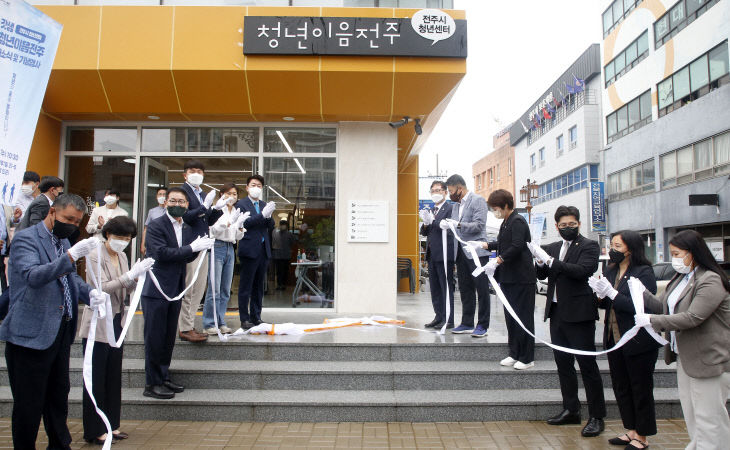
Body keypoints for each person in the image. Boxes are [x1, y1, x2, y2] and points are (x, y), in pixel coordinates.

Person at [0, 194, 101, 449]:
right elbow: (33, 276)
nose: (72, 225)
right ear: (52, 212)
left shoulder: (64, 239)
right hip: (31, 333)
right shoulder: (26, 239)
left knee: (58, 397)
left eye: (77, 222)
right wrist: (68, 257)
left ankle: (60, 444)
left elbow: (69, 279)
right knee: (29, 403)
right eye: (68, 219)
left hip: (61, 329)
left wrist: (89, 293)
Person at [637, 230, 730, 449]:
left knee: (710, 416)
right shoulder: (682, 278)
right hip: (685, 357)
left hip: (708, 360)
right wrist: (642, 294)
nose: (674, 259)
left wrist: (651, 319)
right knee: (692, 412)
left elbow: (693, 317)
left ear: (693, 253)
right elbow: (667, 307)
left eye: (677, 253)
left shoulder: (710, 280)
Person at [530, 205, 605, 437]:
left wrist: (551, 262)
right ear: (556, 227)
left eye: (571, 224)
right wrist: (540, 263)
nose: (567, 228)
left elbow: (582, 270)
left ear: (579, 224)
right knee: (563, 364)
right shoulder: (552, 247)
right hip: (557, 312)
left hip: (580, 313)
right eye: (563, 225)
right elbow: (542, 275)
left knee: (587, 366)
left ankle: (597, 416)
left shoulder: (589, 246)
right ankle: (571, 409)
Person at [79, 216, 154, 445]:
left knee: (113, 376)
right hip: (98, 323)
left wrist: (137, 277)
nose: (123, 241)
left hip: (116, 320)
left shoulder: (121, 255)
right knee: (96, 377)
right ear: (108, 234)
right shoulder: (94, 255)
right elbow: (102, 287)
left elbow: (124, 287)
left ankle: (112, 424)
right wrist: (128, 277)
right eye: (120, 237)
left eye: (128, 238)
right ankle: (94, 429)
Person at [140, 187, 215, 399]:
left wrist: (198, 249)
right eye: (173, 201)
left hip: (176, 289)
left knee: (167, 339)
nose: (177, 205)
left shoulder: (186, 228)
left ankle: (163, 377)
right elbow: (161, 253)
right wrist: (191, 249)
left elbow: (186, 258)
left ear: (187, 205)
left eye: (182, 202)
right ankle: (151, 383)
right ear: (165, 203)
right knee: (154, 338)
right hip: (157, 289)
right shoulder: (156, 225)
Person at [589, 230, 660, 449]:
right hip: (614, 337)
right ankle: (630, 429)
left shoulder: (643, 272)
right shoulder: (611, 270)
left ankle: (643, 435)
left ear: (631, 248)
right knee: (621, 386)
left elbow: (641, 306)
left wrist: (612, 295)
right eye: (612, 245)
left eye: (618, 246)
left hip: (638, 340)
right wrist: (599, 295)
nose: (613, 250)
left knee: (640, 387)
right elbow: (607, 303)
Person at [471, 189, 536, 368]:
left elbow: (516, 246)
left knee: (523, 317)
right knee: (510, 316)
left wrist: (498, 260)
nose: (494, 212)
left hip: (522, 278)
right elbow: (502, 244)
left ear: (506, 206)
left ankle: (527, 357)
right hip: (508, 278)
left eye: (496, 208)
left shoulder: (518, 221)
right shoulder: (506, 222)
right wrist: (483, 245)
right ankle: (514, 352)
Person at [178, 160, 224, 342]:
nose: (196, 173)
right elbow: (185, 217)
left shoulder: (203, 193)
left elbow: (206, 221)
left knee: (199, 288)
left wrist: (217, 210)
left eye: (199, 171)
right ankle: (184, 327)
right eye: (192, 170)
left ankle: (189, 325)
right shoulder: (182, 193)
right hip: (190, 245)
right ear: (185, 174)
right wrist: (203, 208)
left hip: (204, 244)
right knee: (189, 288)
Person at [441, 174, 490, 337]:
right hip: (460, 253)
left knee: (482, 289)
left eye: (450, 190)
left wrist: (459, 225)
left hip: (477, 251)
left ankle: (483, 325)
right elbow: (455, 228)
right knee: (465, 289)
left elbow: (479, 225)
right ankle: (467, 322)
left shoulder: (478, 200)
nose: (449, 194)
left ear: (459, 188)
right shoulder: (455, 206)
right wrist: (448, 225)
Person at [202, 182, 248, 335]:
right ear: (222, 194)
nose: (231, 197)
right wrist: (228, 222)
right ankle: (209, 323)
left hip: (230, 248)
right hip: (216, 247)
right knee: (214, 289)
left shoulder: (235, 210)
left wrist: (240, 226)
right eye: (228, 193)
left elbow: (237, 235)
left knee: (225, 290)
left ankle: (220, 321)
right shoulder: (217, 210)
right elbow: (213, 230)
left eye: (234, 194)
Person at [235, 174, 275, 329]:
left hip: (263, 251)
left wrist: (269, 216)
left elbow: (270, 226)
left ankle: (256, 316)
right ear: (247, 187)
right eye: (253, 185)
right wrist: (262, 215)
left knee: (259, 286)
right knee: (246, 286)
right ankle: (244, 319)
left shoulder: (264, 204)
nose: (256, 188)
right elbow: (246, 224)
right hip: (249, 250)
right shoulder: (241, 204)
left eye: (259, 186)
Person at [419, 180, 455, 328]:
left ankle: (449, 319)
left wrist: (433, 221)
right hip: (432, 254)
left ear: (445, 192)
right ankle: (438, 316)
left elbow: (446, 226)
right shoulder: (432, 210)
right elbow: (424, 232)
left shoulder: (450, 209)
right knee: (435, 288)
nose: (435, 193)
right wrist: (426, 223)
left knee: (445, 287)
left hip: (445, 253)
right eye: (433, 191)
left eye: (438, 190)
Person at [141, 186, 168, 257]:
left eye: (164, 194)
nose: (162, 196)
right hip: (153, 242)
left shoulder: (171, 211)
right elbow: (146, 228)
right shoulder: (152, 211)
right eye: (160, 194)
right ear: (156, 196)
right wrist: (143, 244)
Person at [271, 220, 296, 291]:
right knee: (281, 271)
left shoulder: (277, 233)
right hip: (283, 255)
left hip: (283, 255)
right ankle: (280, 284)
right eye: (281, 224)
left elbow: (292, 243)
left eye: (283, 225)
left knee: (283, 270)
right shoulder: (278, 233)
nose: (282, 226)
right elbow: (293, 243)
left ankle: (282, 284)